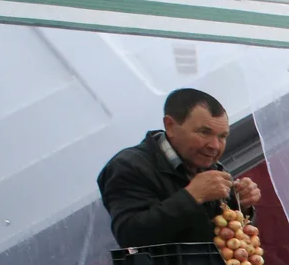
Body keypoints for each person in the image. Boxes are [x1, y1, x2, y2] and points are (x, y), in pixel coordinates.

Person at [99, 89, 261, 247]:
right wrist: (192, 196)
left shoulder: (211, 167)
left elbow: (226, 239)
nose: (214, 145)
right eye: (204, 132)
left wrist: (240, 204)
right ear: (170, 126)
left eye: (222, 136)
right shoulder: (129, 166)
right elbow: (130, 236)